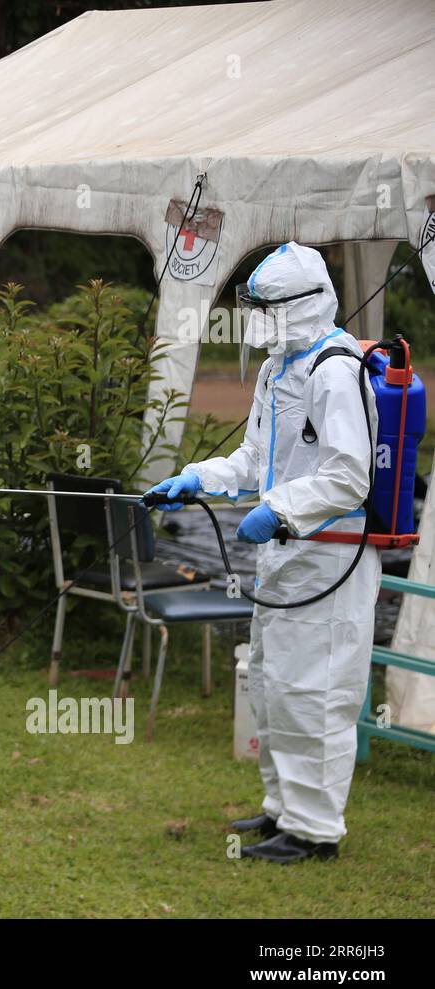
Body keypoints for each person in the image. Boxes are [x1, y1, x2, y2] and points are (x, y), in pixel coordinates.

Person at [146, 242, 379, 864]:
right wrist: (199, 477)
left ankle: (314, 831)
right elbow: (256, 459)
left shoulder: (337, 369)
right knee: (275, 684)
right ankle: (282, 811)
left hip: (329, 557)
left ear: (301, 305)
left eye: (267, 310)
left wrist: (279, 508)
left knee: (317, 691)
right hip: (283, 555)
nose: (258, 322)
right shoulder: (282, 368)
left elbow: (349, 477)